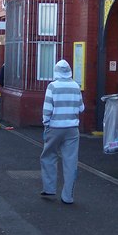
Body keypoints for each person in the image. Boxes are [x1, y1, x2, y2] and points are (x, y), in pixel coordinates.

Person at [40, 59, 84, 204]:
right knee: (71, 161)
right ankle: (68, 197)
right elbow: (81, 108)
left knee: (48, 156)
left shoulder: (52, 86)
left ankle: (49, 188)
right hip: (72, 129)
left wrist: (46, 124)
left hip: (54, 127)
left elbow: (47, 109)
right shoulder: (76, 86)